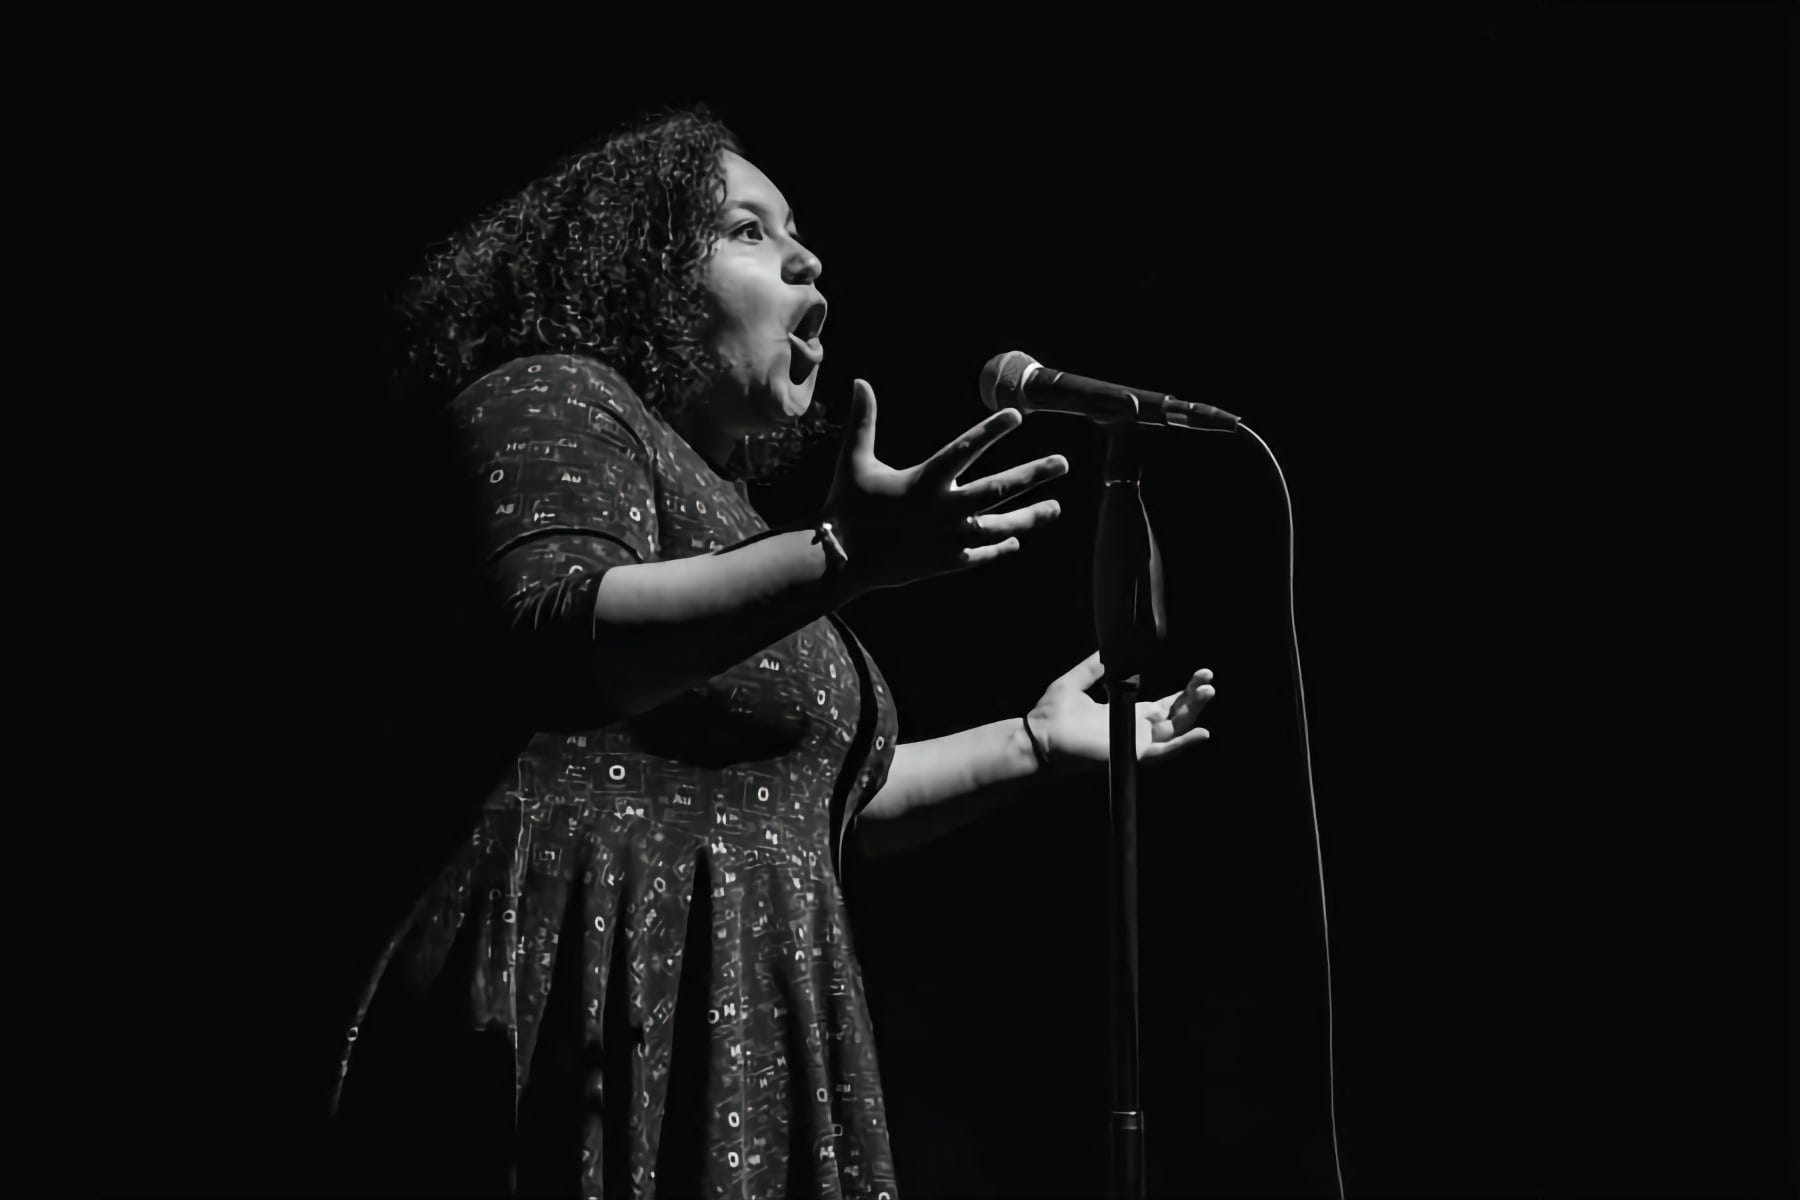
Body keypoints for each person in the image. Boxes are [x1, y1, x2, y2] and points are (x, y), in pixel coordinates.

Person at [327, 105, 1217, 1199]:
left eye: (795, 228)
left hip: (747, 1002)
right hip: (586, 980)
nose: (806, 255)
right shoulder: (552, 392)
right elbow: (560, 635)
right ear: (636, 270)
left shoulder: (745, 526)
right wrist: (838, 554)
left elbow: (821, 803)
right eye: (747, 230)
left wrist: (1032, 741)